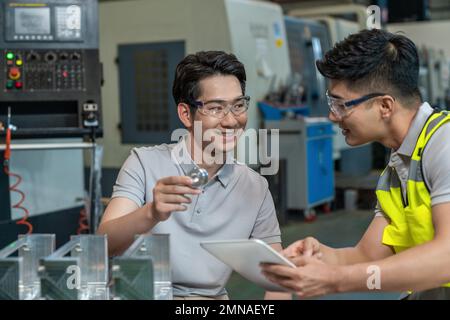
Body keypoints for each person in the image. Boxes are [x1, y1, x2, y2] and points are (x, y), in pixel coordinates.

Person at [261, 29, 450, 300]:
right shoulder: (399, 165)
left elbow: (447, 258)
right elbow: (367, 256)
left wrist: (336, 281)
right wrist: (319, 257)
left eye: (340, 104)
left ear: (385, 106)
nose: (332, 116)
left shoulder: (444, 143)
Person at [98, 51, 288, 299]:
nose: (231, 121)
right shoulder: (144, 163)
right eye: (216, 108)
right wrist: (151, 212)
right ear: (186, 114)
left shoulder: (255, 187)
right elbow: (104, 244)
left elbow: (278, 278)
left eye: (238, 105)